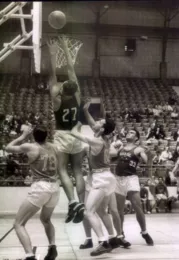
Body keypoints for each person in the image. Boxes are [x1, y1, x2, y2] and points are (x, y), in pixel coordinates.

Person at [70, 114, 130, 256]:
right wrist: (86, 112)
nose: (96, 122)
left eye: (99, 121)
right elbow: (95, 126)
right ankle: (112, 237)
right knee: (102, 211)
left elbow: (74, 133)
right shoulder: (104, 139)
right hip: (106, 176)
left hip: (101, 178)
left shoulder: (97, 141)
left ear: (102, 129)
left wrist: (78, 122)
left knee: (88, 211)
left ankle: (103, 242)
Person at [5, 125, 60, 260]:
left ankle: (29, 256)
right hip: (55, 187)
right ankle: (52, 247)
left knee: (18, 224)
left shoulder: (30, 147)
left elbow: (8, 147)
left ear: (33, 136)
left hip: (41, 187)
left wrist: (23, 136)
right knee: (46, 219)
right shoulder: (54, 147)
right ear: (47, 135)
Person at [47, 36, 85, 223]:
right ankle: (82, 202)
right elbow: (71, 69)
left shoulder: (57, 100)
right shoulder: (77, 96)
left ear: (62, 90)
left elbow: (52, 76)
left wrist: (52, 53)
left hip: (62, 135)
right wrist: (64, 47)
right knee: (78, 169)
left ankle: (72, 202)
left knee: (62, 170)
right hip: (76, 135)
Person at [113, 129, 154, 245]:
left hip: (131, 178)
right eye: (128, 132)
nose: (128, 133)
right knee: (119, 210)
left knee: (137, 207)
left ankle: (144, 232)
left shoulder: (139, 149)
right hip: (118, 179)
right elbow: (112, 159)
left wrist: (149, 155)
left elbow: (146, 161)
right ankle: (120, 234)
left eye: (132, 133)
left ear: (136, 138)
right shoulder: (120, 148)